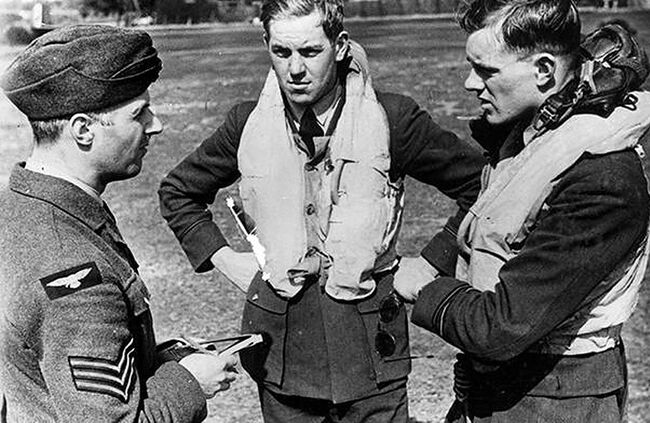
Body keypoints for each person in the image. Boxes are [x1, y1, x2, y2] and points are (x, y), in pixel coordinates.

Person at [158, 0, 485, 421]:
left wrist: (432, 260)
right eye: (282, 52)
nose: (295, 69)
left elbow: (482, 186)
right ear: (266, 45)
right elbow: (179, 191)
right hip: (281, 353)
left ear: (341, 46)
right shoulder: (246, 123)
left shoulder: (393, 119)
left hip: (370, 354)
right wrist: (227, 260)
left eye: (311, 52)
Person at [393, 0, 650, 422]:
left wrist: (423, 289)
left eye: (486, 70)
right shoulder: (533, 134)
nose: (468, 83)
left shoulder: (602, 181)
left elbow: (500, 327)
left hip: (556, 401)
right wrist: (429, 261)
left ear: (545, 71)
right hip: (499, 390)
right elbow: (488, 214)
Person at [0, 25, 238, 422]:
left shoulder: (21, 208)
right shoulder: (74, 275)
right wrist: (189, 381)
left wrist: (159, 360)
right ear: (83, 130)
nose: (155, 125)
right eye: (139, 113)